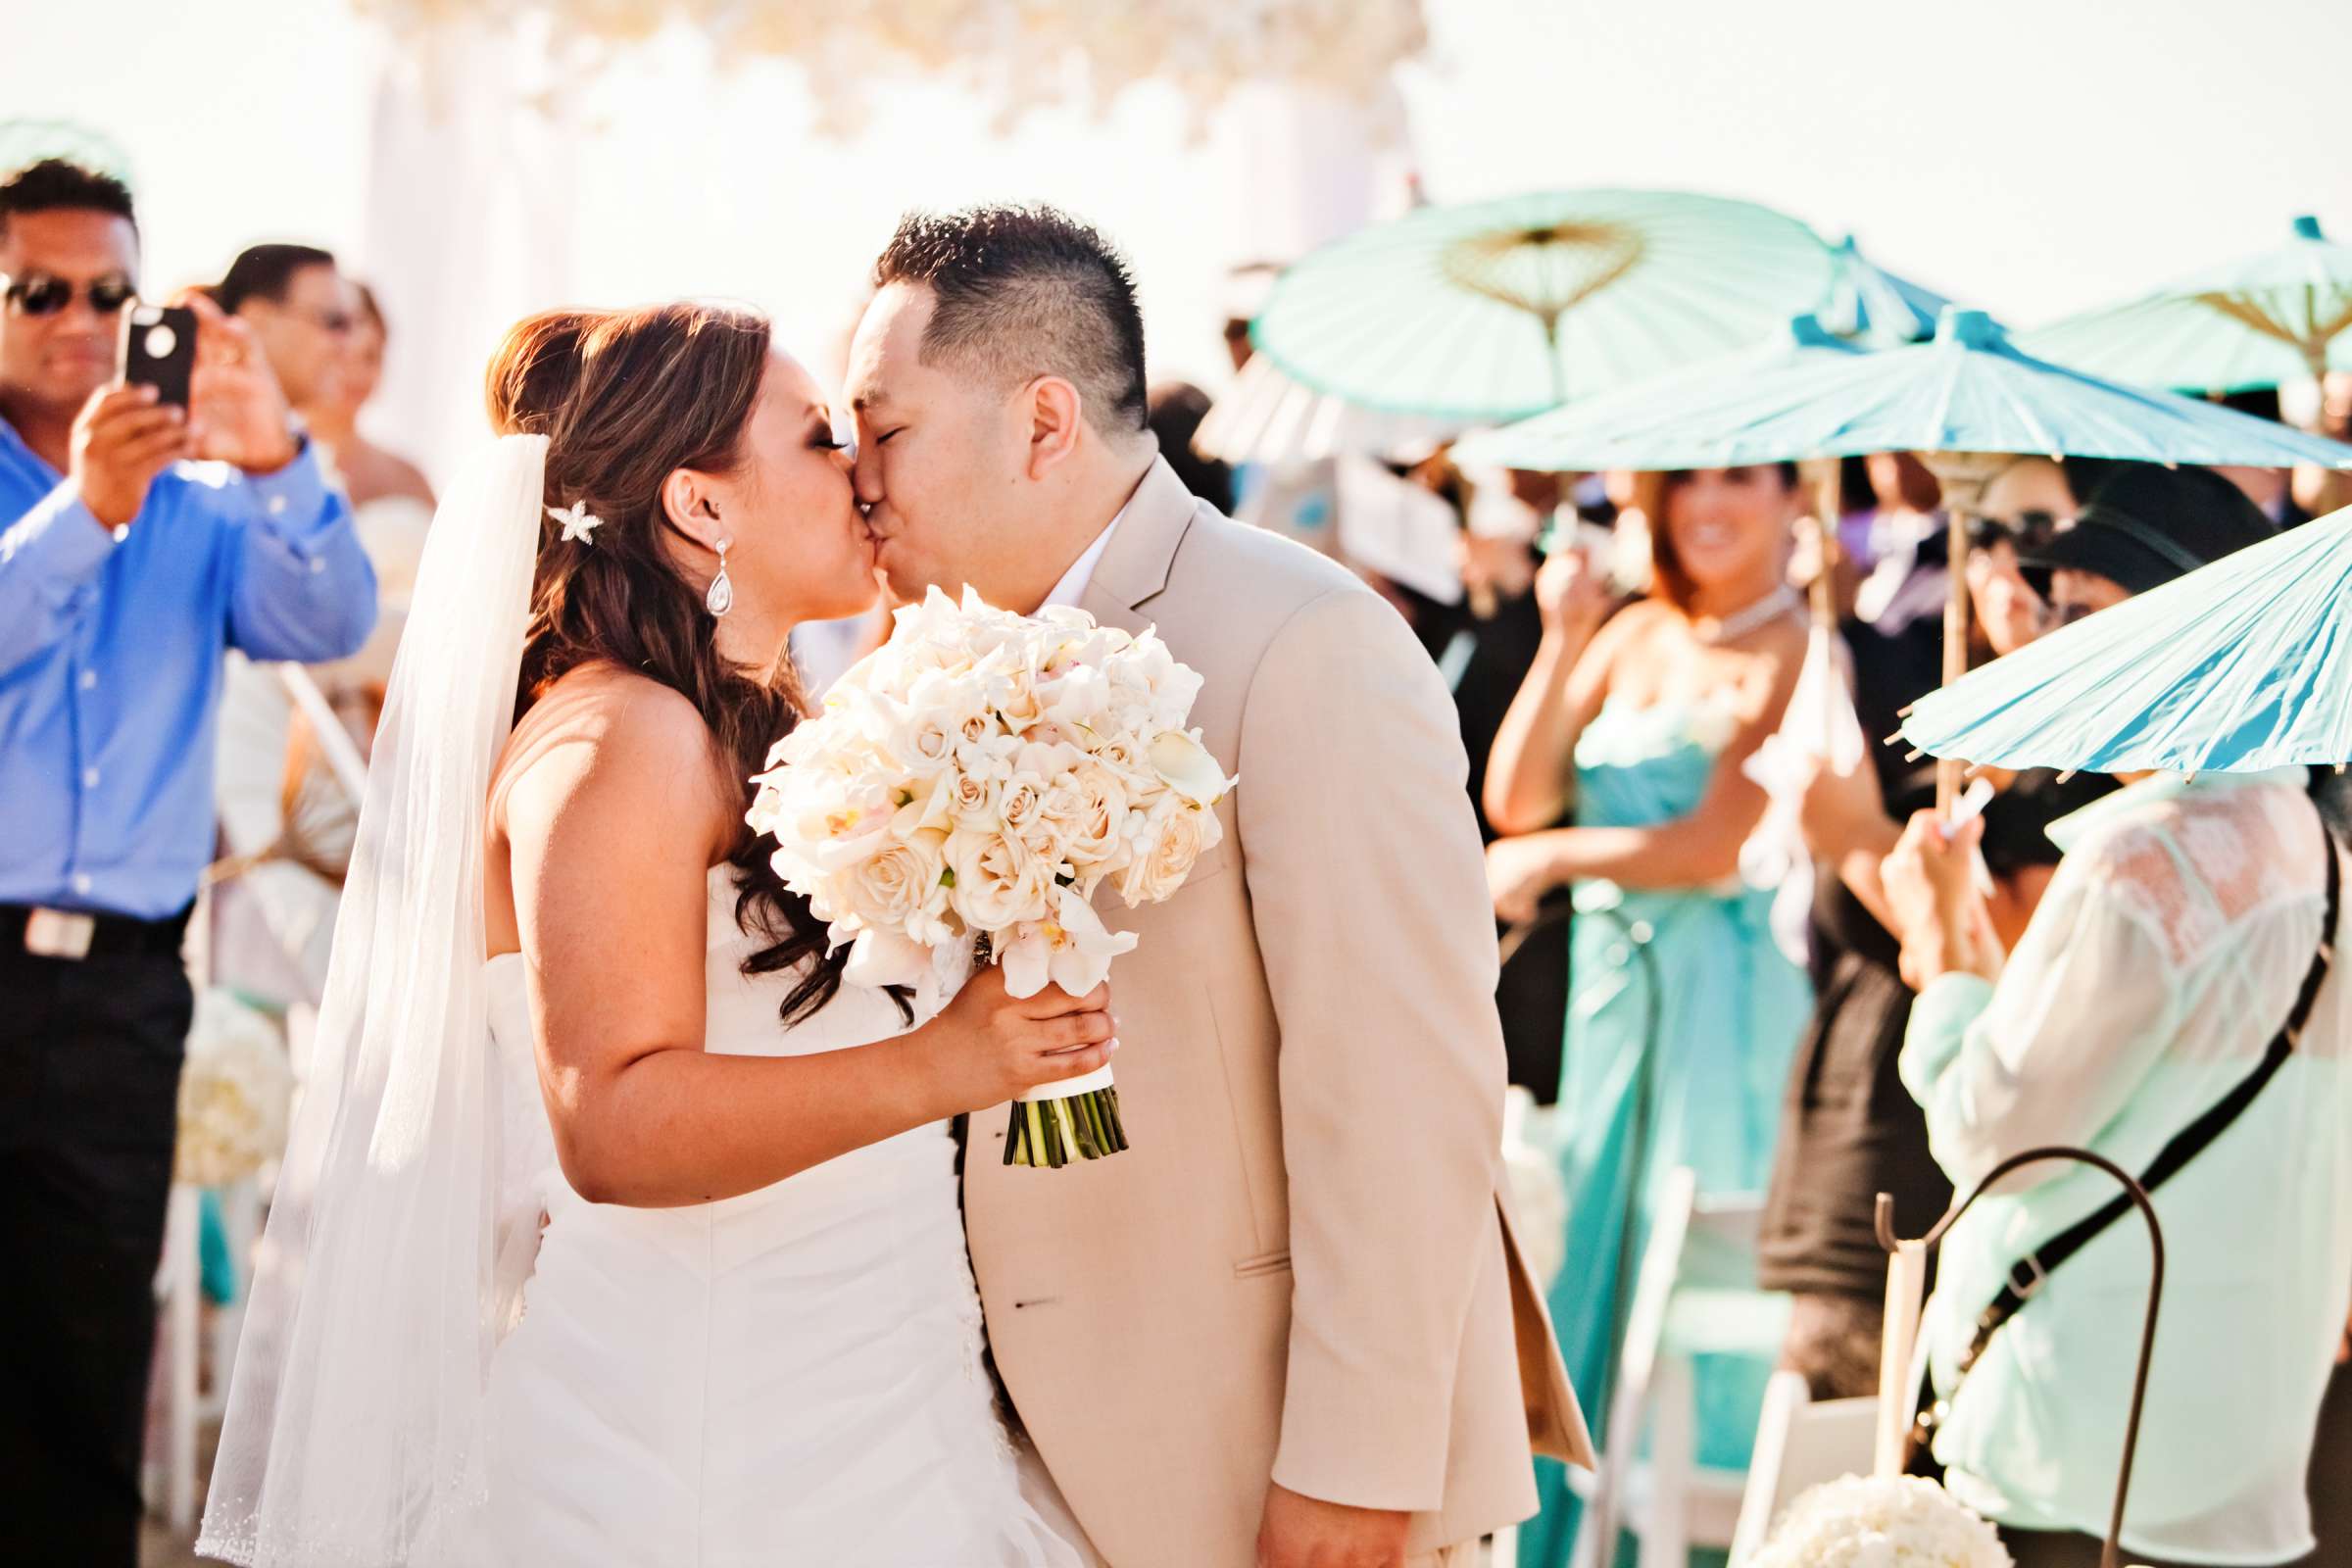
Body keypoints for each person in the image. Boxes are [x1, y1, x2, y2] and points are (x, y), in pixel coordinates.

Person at [202, 301, 1111, 1566]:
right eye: (814, 441)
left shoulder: (752, 728)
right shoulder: (619, 741)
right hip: (710, 1447)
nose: (861, 473)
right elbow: (612, 1128)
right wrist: (945, 1067)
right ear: (701, 506)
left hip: (883, 1402)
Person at [844, 204, 1590, 1568]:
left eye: (884, 430)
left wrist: (1357, 1469)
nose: (858, 479)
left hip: (1238, 1442)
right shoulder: (905, 677)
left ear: (1043, 422)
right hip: (971, 1434)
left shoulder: (1306, 641)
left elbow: (1404, 1086)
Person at [0, 158, 374, 1566]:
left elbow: (326, 616)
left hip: (120, 1000)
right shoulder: (84, 492)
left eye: (111, 289)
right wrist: (85, 509)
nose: (81, 316)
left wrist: (273, 455)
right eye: (39, 288)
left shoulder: (213, 495)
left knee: (90, 1362)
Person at [1881, 467, 2343, 1568]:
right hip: (2229, 1454)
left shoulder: (2152, 854)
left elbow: (2003, 1137)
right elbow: (2125, 1088)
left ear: (2192, 635)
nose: (2054, 641)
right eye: (2053, 610)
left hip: (2083, 1448)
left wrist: (1944, 955)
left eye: (2086, 613)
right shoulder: (2310, 842)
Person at [1481, 465, 1813, 1564]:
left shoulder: (1799, 649)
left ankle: (1686, 1538)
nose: (1709, 505)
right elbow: (1515, 796)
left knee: (1692, 1268)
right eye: (1687, 482)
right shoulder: (1628, 633)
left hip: (1722, 999)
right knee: (1588, 1241)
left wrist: (1550, 861)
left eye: (1740, 480)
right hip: (1612, 993)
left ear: (1789, 496)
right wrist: (1563, 632)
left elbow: (1716, 844)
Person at [1756, 454, 2120, 1398]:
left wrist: (1854, 839)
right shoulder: (1948, 726)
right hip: (1845, 1153)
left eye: (2038, 531)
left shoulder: (2098, 766)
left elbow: (2016, 962)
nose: (2005, 561)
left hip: (1944, 1172)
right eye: (1983, 531)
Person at [217, 243, 354, 429]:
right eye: (333, 321)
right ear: (257, 321)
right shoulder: (179, 443)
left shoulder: (299, 442)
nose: (348, 345)